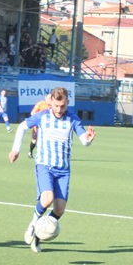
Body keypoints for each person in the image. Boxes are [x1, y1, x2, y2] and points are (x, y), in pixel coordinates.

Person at [9, 87, 96, 252]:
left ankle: (39, 234)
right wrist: (16, 149)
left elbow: (84, 140)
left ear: (67, 103)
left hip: (63, 170)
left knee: (59, 209)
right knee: (47, 198)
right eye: (56, 106)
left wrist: (89, 140)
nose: (58, 109)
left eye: (62, 106)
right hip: (45, 165)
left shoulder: (73, 119)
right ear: (51, 102)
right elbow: (21, 127)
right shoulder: (43, 116)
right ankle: (33, 225)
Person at [28, 94, 51, 158]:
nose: (50, 99)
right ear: (45, 98)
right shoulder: (40, 104)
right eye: (49, 98)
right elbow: (32, 113)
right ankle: (30, 152)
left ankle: (43, 154)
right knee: (34, 140)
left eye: (51, 98)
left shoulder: (52, 106)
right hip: (38, 124)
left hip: (47, 125)